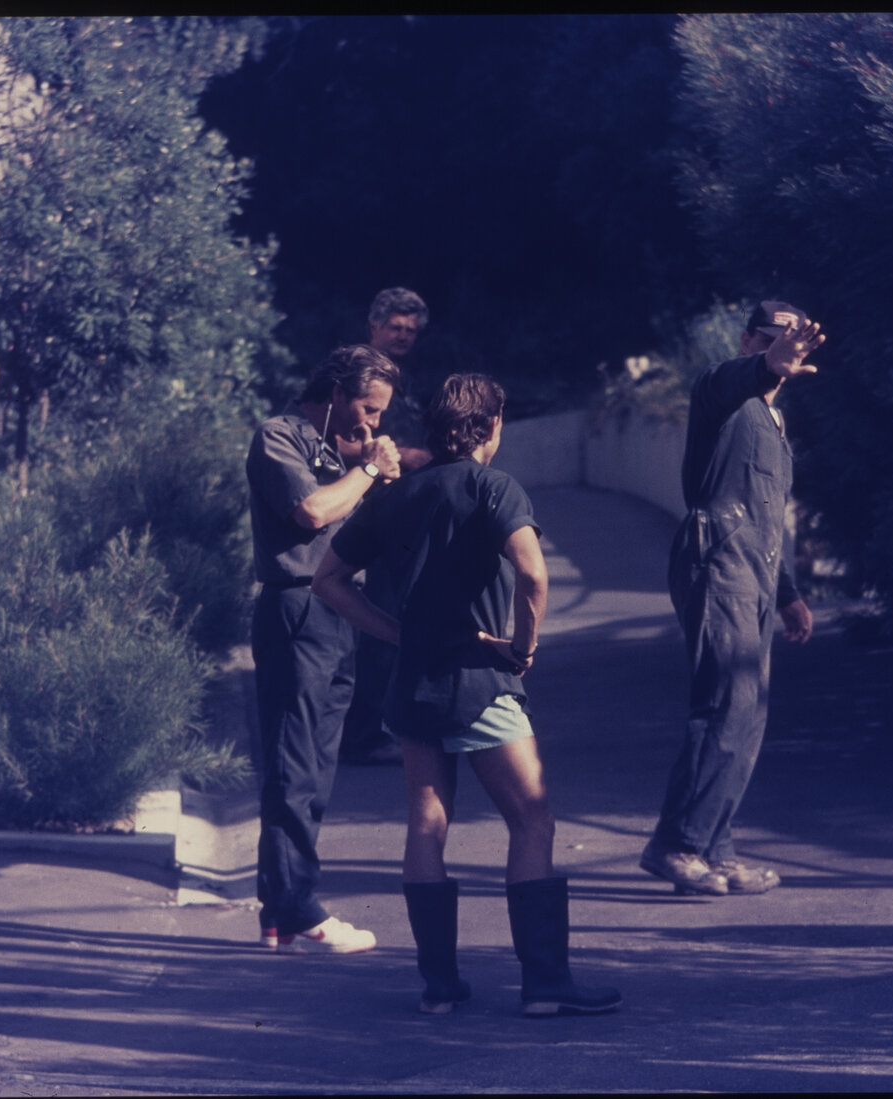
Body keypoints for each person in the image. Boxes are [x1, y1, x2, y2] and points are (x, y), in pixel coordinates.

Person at [313, 373, 622, 1017]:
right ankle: (543, 984)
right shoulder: (492, 486)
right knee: (532, 819)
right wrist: (523, 646)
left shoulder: (394, 495)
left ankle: (440, 988)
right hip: (481, 681)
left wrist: (397, 634)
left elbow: (330, 580)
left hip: (414, 684)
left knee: (427, 824)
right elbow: (533, 573)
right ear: (492, 427)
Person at [639, 301, 827, 897]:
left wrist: (790, 594)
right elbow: (732, 377)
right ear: (749, 340)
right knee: (726, 703)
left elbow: (773, 516)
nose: (785, 349)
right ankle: (677, 843)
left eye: (792, 341)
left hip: (757, 570)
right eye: (772, 340)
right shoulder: (724, 392)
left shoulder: (773, 423)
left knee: (747, 712)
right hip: (716, 560)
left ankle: (715, 850)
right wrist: (768, 364)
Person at [245, 344, 403, 953]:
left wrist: (372, 471)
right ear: (336, 392)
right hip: (297, 604)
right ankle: (298, 906)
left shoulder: (340, 449)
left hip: (340, 609)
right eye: (367, 407)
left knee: (317, 765)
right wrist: (366, 471)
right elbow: (312, 511)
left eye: (381, 414)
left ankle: (281, 908)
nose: (372, 424)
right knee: (294, 762)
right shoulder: (279, 435)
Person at [339, 287, 433, 766]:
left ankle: (378, 726)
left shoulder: (399, 378)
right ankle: (363, 734)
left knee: (392, 623)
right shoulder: (358, 376)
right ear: (373, 326)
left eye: (410, 330)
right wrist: (402, 457)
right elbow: (331, 441)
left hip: (401, 515)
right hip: (371, 515)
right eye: (395, 327)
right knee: (378, 626)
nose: (403, 336)